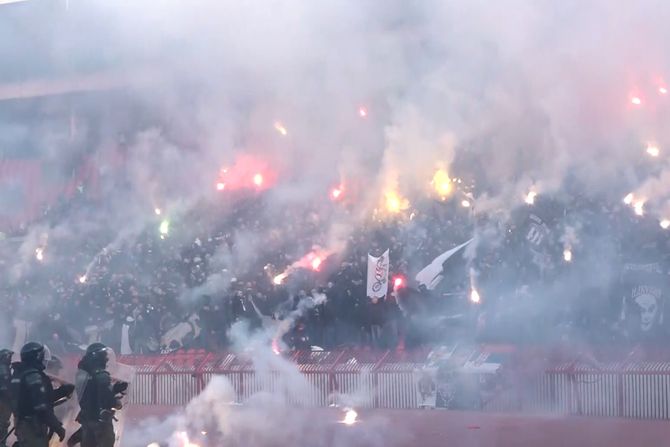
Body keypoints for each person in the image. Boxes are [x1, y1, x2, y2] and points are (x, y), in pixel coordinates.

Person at [12, 342, 72, 447]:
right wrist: (57, 427)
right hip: (32, 427)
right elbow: (41, 407)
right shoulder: (34, 377)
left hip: (24, 424)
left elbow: (39, 399)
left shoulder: (21, 374)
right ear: (36, 357)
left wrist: (62, 391)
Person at [73, 343, 127, 447]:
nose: (106, 359)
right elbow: (106, 399)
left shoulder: (83, 372)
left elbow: (93, 394)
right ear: (98, 356)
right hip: (101, 422)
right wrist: (116, 402)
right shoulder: (101, 375)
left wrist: (115, 388)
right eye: (104, 356)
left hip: (87, 419)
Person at [0, 349, 12, 444]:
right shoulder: (3, 369)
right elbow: (5, 388)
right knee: (2, 424)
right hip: (3, 403)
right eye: (9, 357)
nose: (10, 359)